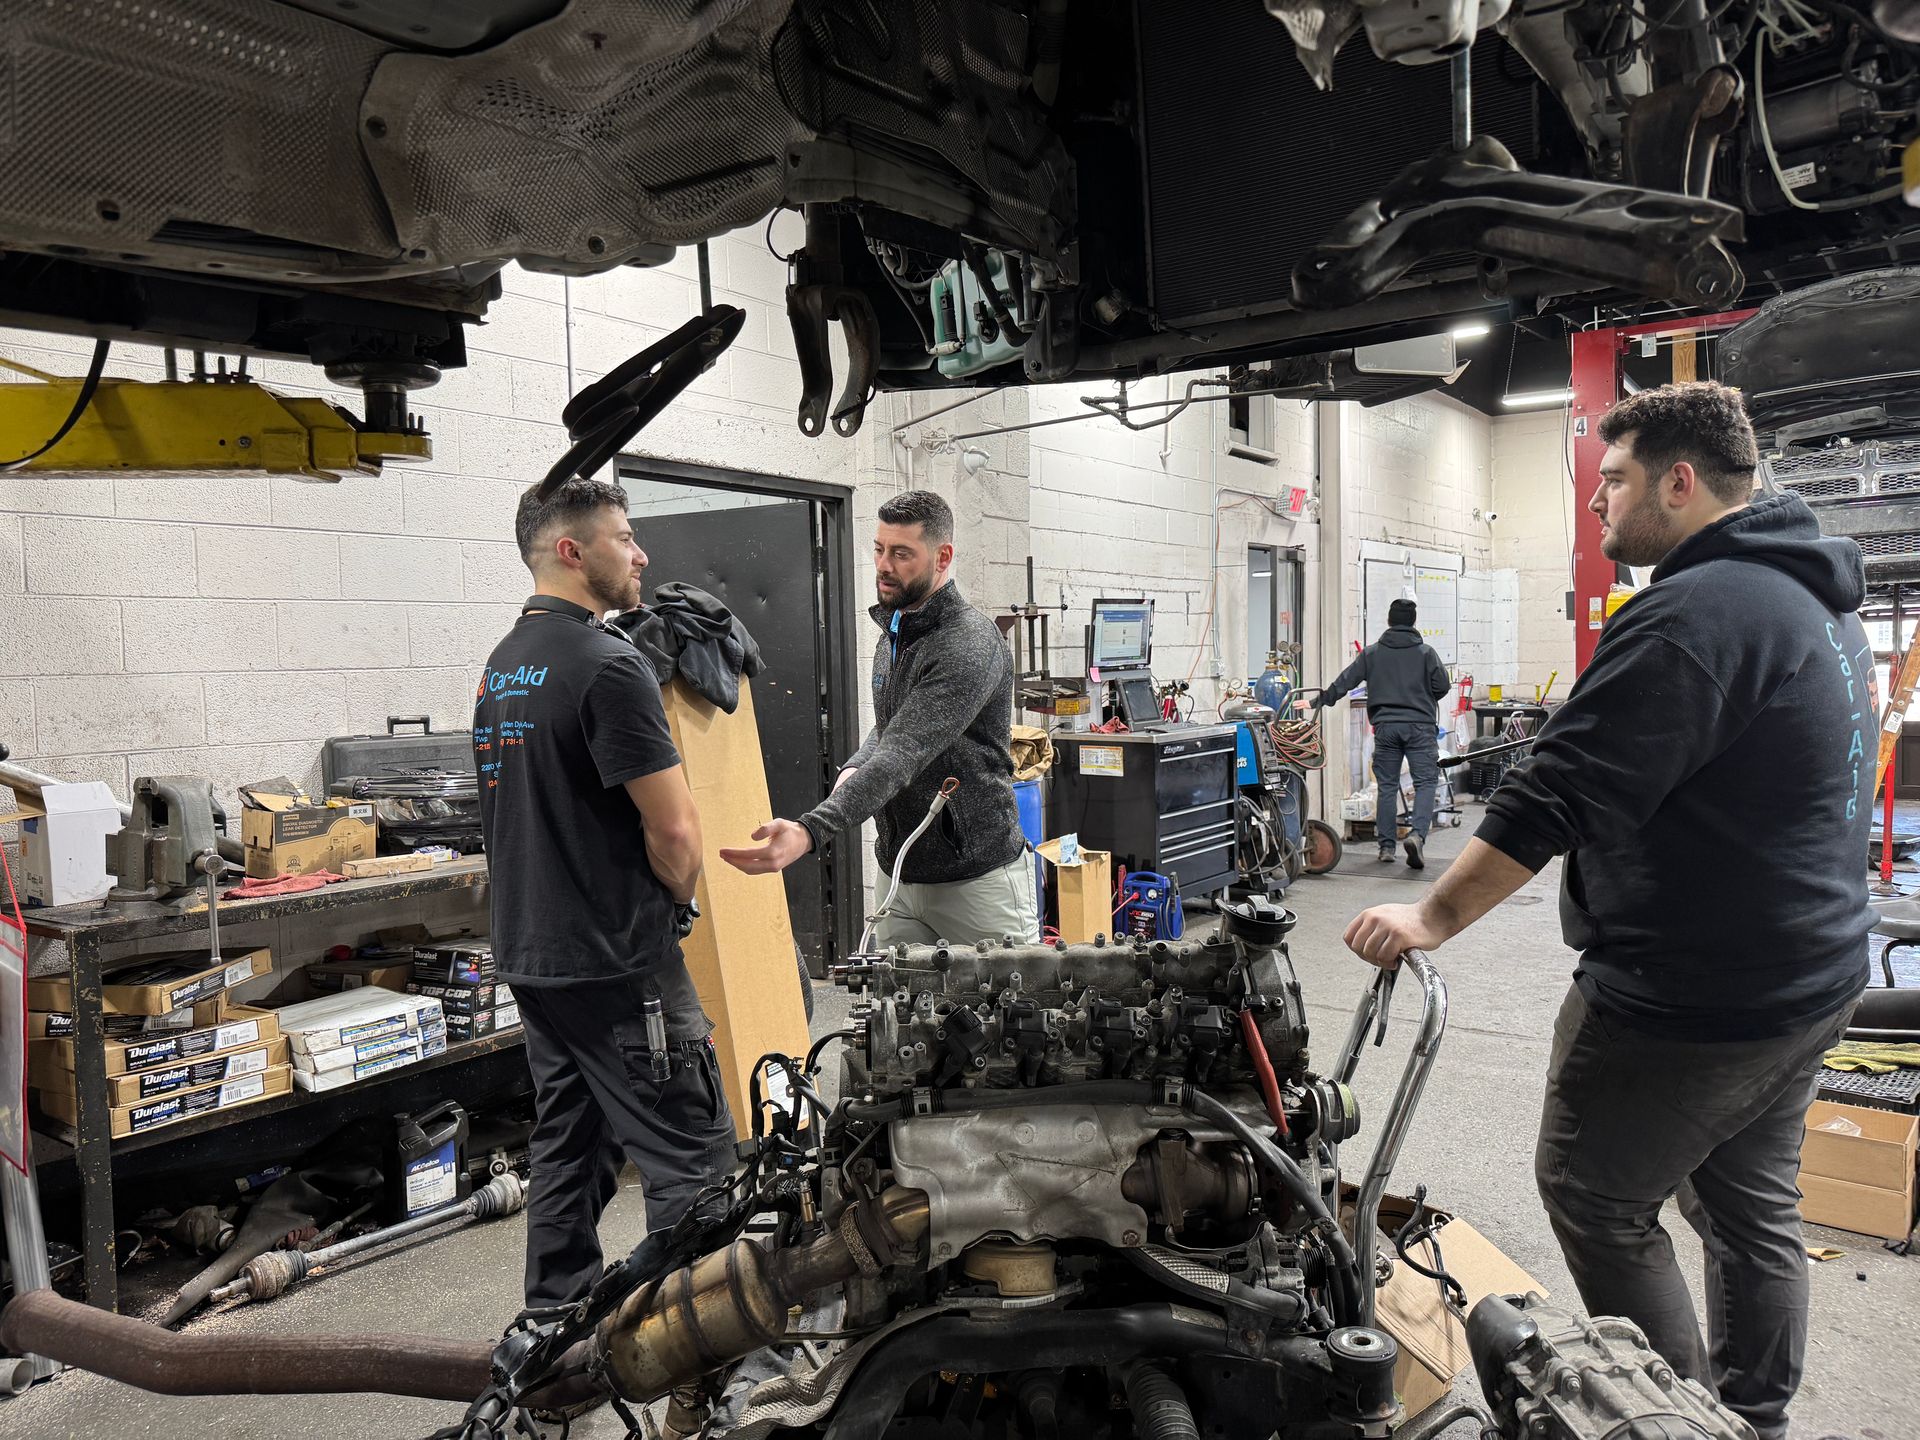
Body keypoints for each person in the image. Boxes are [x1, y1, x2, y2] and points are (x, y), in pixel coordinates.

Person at [1342, 381, 1872, 1440]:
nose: (1596, 505)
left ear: (1679, 483)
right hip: (1808, 976)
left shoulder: (1696, 613)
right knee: (1749, 1210)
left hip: (1693, 998)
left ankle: (1670, 1422)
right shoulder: (1810, 598)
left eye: (1613, 481)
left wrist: (1432, 917)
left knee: (1595, 1193)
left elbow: (1557, 791)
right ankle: (1752, 1419)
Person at [474, 476, 736, 1311]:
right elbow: (676, 833)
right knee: (693, 1155)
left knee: (570, 1145)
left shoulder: (503, 665)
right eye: (624, 538)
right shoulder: (608, 664)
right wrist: (678, 897)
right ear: (570, 550)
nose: (641, 555)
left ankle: (556, 1326)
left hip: (536, 958)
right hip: (620, 960)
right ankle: (700, 1355)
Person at [720, 490, 1035, 946]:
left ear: (942, 557)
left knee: (1005, 995)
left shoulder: (967, 644)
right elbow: (894, 726)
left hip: (976, 881)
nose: (884, 565)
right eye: (879, 549)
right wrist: (856, 764)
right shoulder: (896, 630)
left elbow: (902, 752)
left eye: (902, 553)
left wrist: (810, 830)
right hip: (898, 874)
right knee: (897, 996)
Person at [1311, 597, 1451, 868]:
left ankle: (1386, 847)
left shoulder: (1372, 653)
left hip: (1386, 727)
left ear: (1389, 621)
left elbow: (1346, 681)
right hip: (1420, 727)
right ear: (1413, 622)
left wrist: (1320, 701)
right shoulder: (1426, 653)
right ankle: (1417, 836)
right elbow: (1442, 686)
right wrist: (1421, 696)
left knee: (1387, 786)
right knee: (1425, 783)